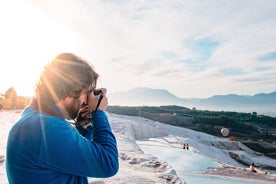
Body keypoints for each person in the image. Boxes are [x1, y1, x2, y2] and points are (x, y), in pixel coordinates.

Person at [6, 53, 119, 184]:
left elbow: (74, 158)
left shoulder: (34, 120)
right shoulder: (47, 128)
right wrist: (99, 112)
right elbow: (108, 164)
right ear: (71, 91)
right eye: (85, 94)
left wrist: (84, 126)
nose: (86, 101)